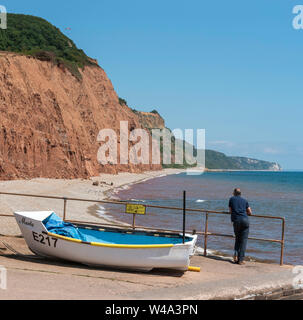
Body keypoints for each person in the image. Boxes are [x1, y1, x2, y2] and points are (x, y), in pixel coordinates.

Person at [228, 188, 252, 265]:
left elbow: (230, 210)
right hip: (245, 220)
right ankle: (240, 260)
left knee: (237, 239)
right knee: (243, 241)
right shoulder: (245, 200)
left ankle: (235, 257)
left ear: (234, 193)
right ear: (240, 193)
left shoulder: (231, 199)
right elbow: (250, 212)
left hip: (236, 220)